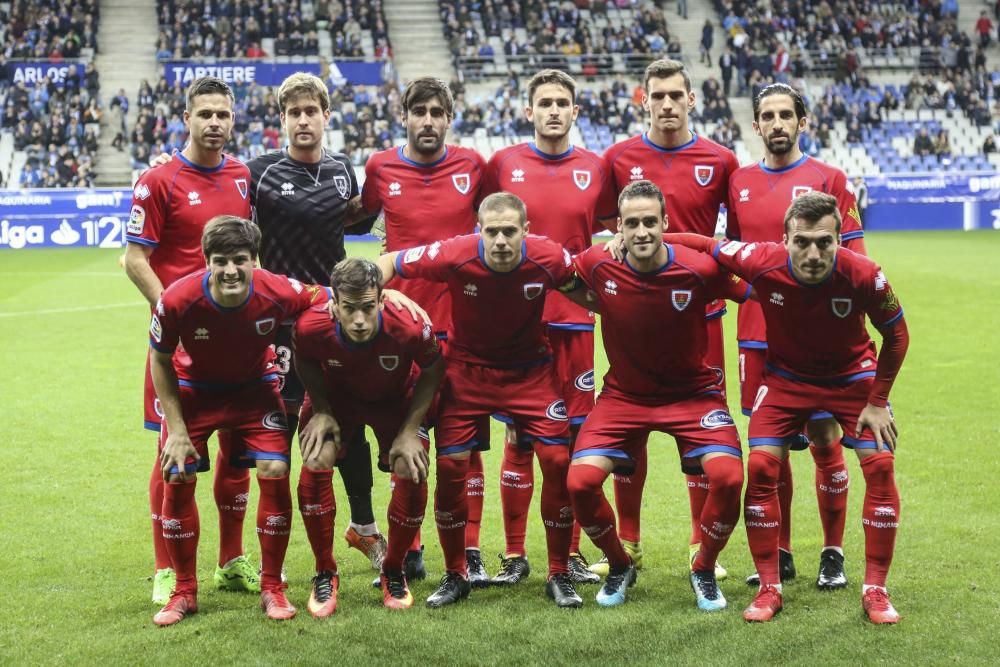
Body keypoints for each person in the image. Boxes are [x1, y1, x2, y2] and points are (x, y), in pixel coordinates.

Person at [151, 72, 396, 587]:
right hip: (272, 324)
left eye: (312, 111)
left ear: (327, 116)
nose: (303, 120)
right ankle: (270, 558)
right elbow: (224, 204)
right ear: (282, 119)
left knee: (343, 423)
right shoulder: (258, 174)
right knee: (273, 436)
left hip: (330, 319)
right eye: (294, 113)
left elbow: (358, 219)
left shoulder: (341, 172)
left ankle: (364, 527)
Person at [665, 191, 909, 624]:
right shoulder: (761, 259)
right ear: (785, 239)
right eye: (802, 242)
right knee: (760, 468)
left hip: (851, 379)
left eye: (824, 242)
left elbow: (897, 336)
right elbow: (705, 244)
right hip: (786, 381)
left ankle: (876, 589)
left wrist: (877, 401)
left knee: (881, 467)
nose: (813, 253)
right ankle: (769, 588)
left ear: (840, 240)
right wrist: (644, 238)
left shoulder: (865, 275)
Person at [375, 192, 582, 609]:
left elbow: (590, 279)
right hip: (467, 373)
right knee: (451, 468)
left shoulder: (549, 257)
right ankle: (456, 574)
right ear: (479, 231)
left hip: (530, 373)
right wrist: (381, 293)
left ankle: (558, 572)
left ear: (526, 231)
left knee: (559, 463)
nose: (501, 240)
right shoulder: (455, 254)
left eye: (510, 232)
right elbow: (391, 261)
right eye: (492, 232)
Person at [566, 181, 749, 610]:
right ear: (619, 229)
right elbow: (559, 279)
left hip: (694, 397)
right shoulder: (598, 263)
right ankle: (618, 564)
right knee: (580, 482)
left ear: (665, 223)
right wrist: (601, 303)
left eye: (651, 222)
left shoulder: (698, 269)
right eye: (632, 223)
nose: (642, 231)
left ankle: (703, 568)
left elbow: (755, 289)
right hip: (624, 398)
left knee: (729, 478)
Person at [598, 58, 741, 579]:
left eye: (675, 96)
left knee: (701, 433)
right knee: (628, 431)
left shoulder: (720, 160)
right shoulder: (618, 158)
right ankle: (628, 542)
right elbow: (595, 230)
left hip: (700, 320)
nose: (666, 105)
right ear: (644, 101)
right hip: (633, 320)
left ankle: (699, 544)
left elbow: (735, 243)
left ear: (691, 100)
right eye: (656, 96)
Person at [150, 215, 327, 625]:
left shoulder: (277, 289)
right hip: (195, 392)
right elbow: (159, 360)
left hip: (254, 390)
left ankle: (272, 587)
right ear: (206, 260)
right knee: (176, 473)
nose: (231, 270)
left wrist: (390, 297)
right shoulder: (177, 298)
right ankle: (184, 591)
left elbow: (325, 297)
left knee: (276, 466)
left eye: (241, 260)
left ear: (255, 260)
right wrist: (176, 430)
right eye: (221, 260)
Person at [479, 69, 616, 586]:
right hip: (519, 324)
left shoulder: (595, 168)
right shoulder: (503, 164)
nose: (554, 110)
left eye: (563, 102)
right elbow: (484, 232)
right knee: (517, 437)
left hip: (577, 322)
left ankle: (572, 555)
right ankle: (515, 556)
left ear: (575, 111)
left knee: (572, 439)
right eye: (545, 102)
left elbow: (613, 227)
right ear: (528, 111)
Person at [727, 83, 867, 589]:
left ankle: (832, 553)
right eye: (769, 115)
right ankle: (780, 550)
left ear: (803, 123)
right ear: (756, 125)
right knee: (770, 449)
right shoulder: (738, 181)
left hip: (817, 340)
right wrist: (746, 295)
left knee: (827, 439)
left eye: (788, 114)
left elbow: (854, 259)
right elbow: (732, 256)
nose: (778, 123)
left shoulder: (828, 178)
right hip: (758, 337)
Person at [125, 76, 258, 605]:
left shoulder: (243, 175)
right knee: (172, 456)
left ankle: (231, 560)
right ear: (187, 117)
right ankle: (165, 568)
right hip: (178, 347)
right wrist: (170, 315)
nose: (215, 123)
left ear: (232, 118)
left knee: (238, 450)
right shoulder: (158, 179)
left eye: (223, 114)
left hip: (237, 345)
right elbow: (134, 259)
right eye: (205, 114)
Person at [362, 77, 492, 585]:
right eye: (421, 111)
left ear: (450, 117)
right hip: (398, 330)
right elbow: (363, 214)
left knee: (466, 444)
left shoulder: (473, 166)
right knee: (404, 438)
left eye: (439, 112)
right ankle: (409, 549)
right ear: (406, 117)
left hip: (463, 326)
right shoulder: (379, 166)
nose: (430, 121)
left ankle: (473, 551)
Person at [293, 258, 445, 613]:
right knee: (315, 459)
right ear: (334, 306)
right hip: (337, 400)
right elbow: (303, 359)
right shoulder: (311, 326)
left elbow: (434, 368)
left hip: (394, 401)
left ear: (382, 301)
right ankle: (324, 572)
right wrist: (322, 410)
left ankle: (394, 569)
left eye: (367, 307)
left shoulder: (407, 326)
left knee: (412, 466)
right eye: (349, 309)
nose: (359, 319)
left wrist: (409, 430)